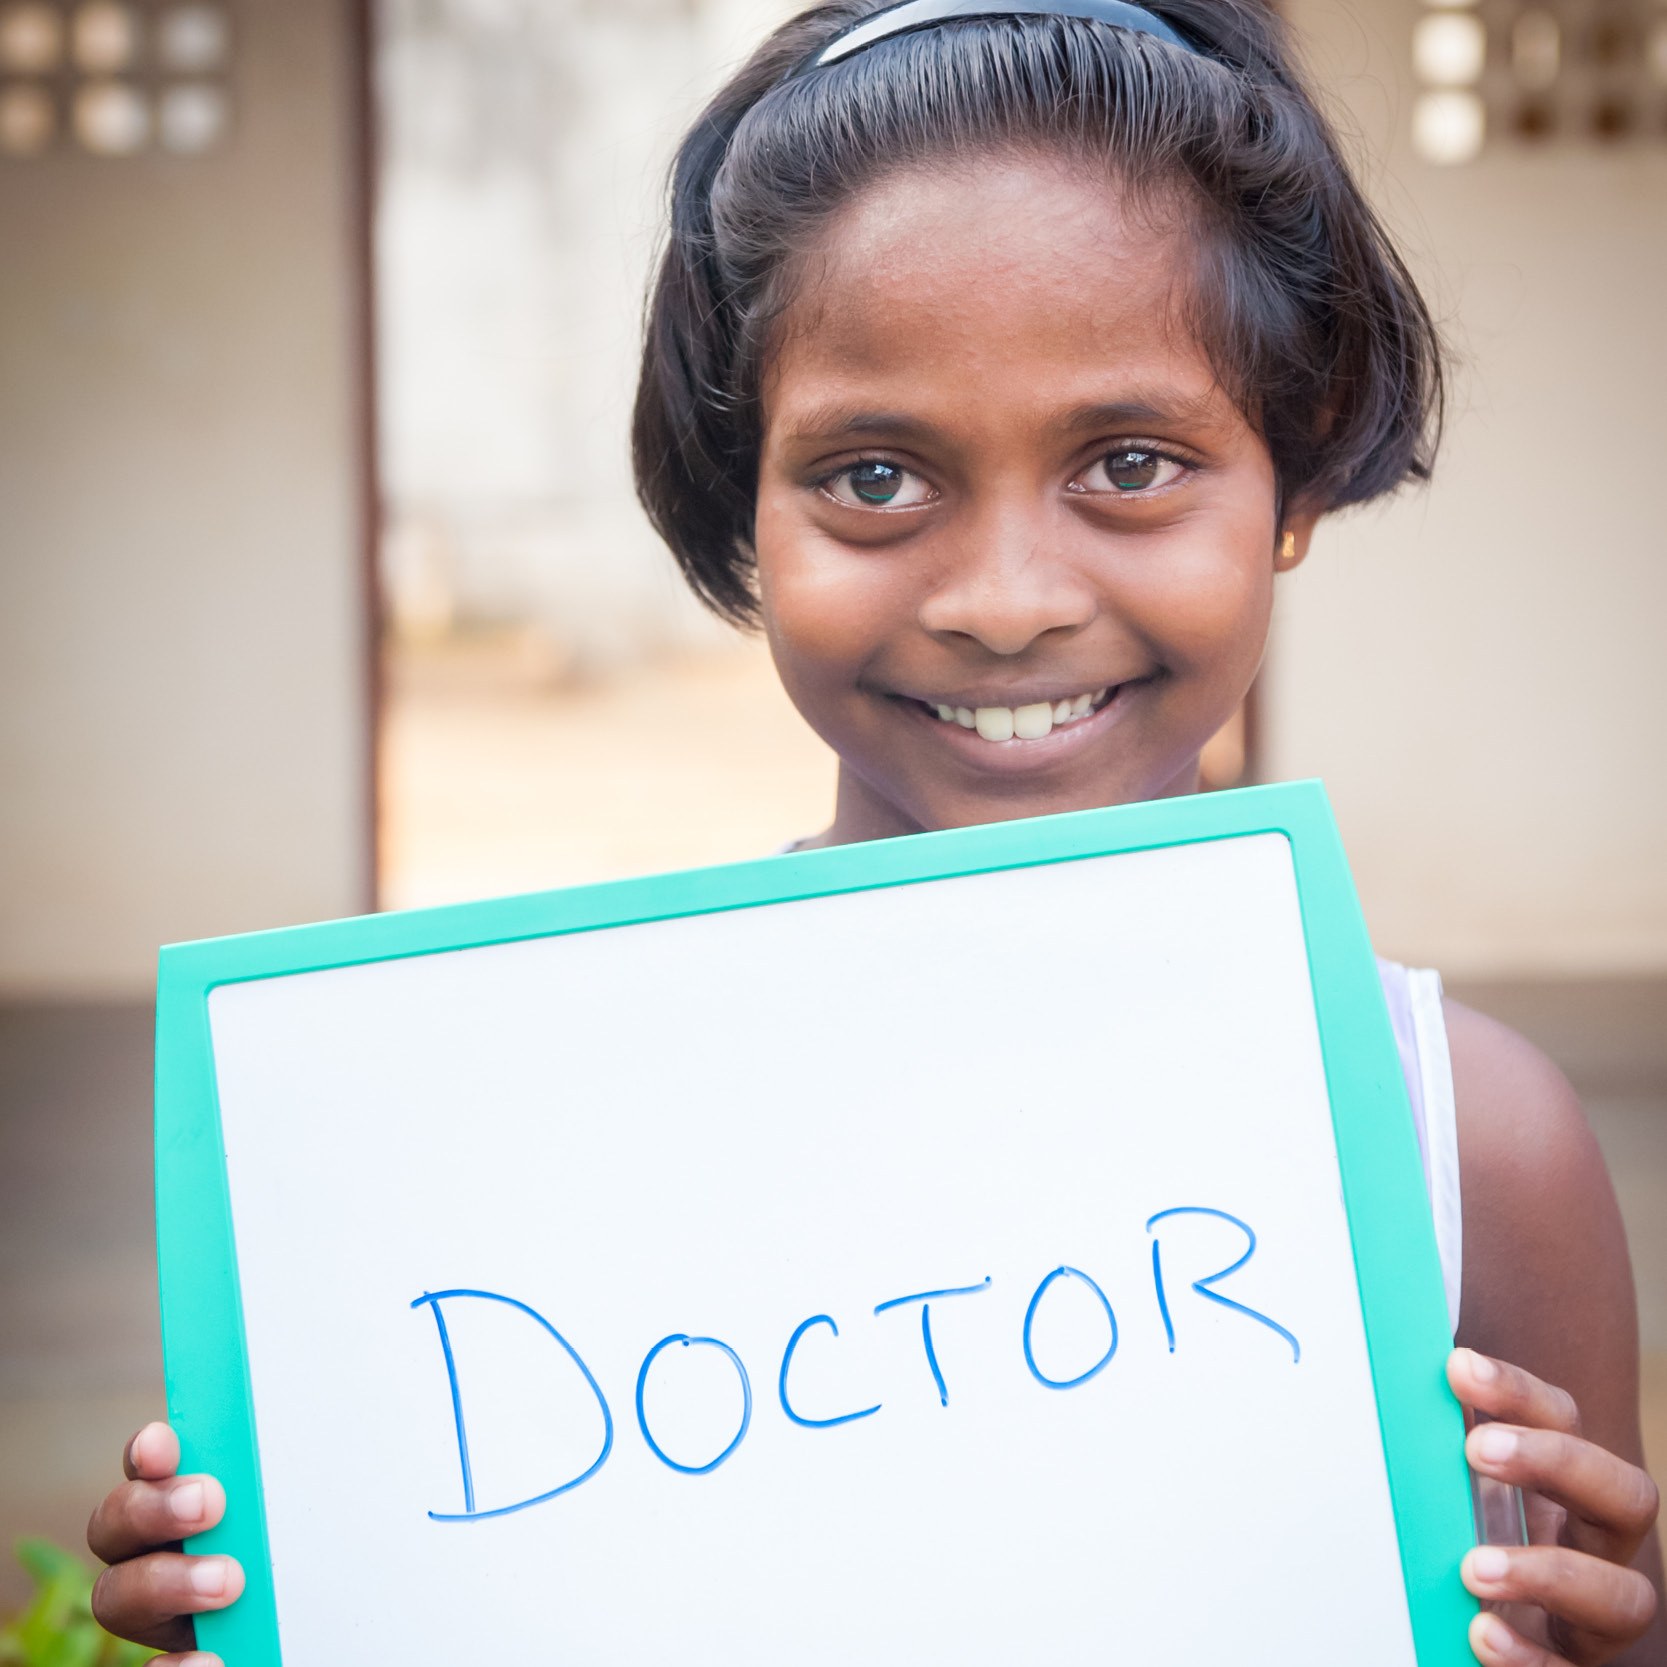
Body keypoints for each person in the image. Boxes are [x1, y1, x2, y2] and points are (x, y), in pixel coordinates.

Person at [86, 2, 1662, 1661]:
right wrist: (289, 1590)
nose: (1002, 604)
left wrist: (1603, 1638)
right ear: (738, 498)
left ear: (1294, 485)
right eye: (875, 479)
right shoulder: (523, 1136)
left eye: (1130, 461)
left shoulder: (1471, 1148)